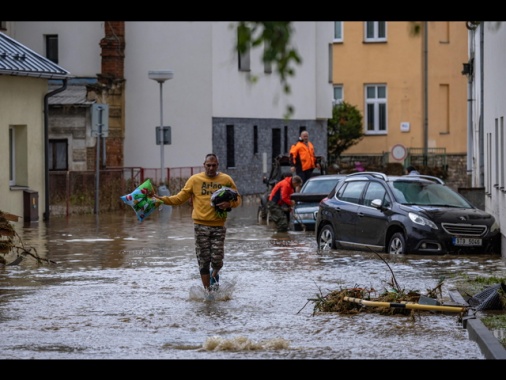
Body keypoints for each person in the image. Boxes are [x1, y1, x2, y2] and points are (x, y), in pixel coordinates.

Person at [154, 153, 241, 292]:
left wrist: (229, 203)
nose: (211, 168)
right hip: (200, 226)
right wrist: (161, 199)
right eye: (208, 165)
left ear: (217, 165)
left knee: (218, 260)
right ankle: (208, 293)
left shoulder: (226, 179)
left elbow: (238, 199)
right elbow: (179, 198)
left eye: (214, 165)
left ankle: (214, 275)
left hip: (218, 225)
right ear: (204, 165)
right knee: (203, 260)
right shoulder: (195, 180)